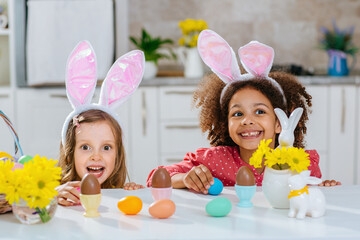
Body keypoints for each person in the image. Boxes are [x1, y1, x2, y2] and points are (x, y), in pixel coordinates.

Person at [146, 30, 340, 194]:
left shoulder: (299, 163)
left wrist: (327, 189)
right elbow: (156, 177)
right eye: (237, 114)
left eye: (260, 111)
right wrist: (185, 179)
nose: (247, 120)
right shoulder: (216, 160)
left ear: (280, 122)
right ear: (226, 123)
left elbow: (313, 195)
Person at [56, 41, 145, 206]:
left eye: (106, 148)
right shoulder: (56, 191)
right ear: (69, 153)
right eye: (85, 147)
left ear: (118, 155)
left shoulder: (115, 191)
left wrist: (130, 193)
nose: (96, 156)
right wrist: (51, 198)